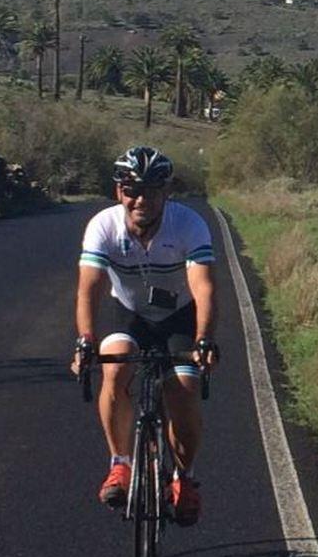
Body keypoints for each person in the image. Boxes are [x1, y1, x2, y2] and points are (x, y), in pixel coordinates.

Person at [71, 146, 218, 526]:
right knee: (115, 369)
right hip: (131, 314)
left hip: (178, 318)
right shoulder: (104, 225)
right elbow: (90, 288)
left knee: (183, 389)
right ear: (118, 191)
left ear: (166, 193)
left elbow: (203, 287)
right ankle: (120, 463)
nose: (141, 199)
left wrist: (203, 340)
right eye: (132, 190)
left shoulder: (188, 224)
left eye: (152, 191)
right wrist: (85, 339)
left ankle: (183, 479)